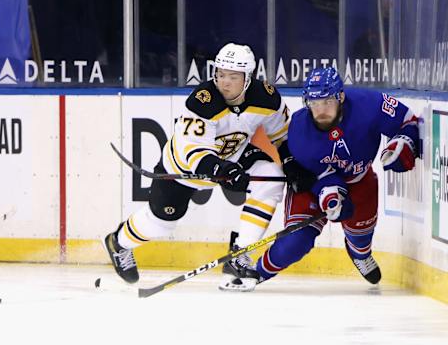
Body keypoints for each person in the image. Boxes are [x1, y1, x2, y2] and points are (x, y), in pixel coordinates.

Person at [103, 43, 291, 291]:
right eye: (221, 74)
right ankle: (119, 242)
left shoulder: (266, 97)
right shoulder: (203, 101)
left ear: (248, 78)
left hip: (232, 156)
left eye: (233, 77)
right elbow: (193, 151)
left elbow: (282, 134)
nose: (225, 82)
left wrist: (291, 161)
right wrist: (222, 170)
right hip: (183, 168)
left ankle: (240, 254)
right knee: (161, 223)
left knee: (273, 175)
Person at [245, 66, 420, 290]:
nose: (321, 111)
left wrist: (404, 144)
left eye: (327, 102)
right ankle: (255, 273)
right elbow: (321, 177)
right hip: (312, 184)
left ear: (341, 97)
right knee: (296, 241)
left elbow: (407, 121)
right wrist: (331, 197)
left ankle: (359, 253)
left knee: (360, 240)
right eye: (315, 103)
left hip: (360, 180)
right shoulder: (299, 130)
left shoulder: (369, 104)